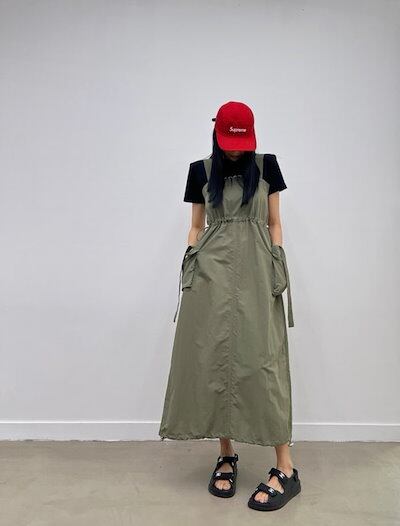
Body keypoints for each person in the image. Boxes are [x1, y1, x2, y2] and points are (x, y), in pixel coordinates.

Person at [159, 101, 301, 511]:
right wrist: (191, 267)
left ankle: (286, 467)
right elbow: (196, 226)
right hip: (210, 273)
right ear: (217, 133)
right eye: (228, 141)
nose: (235, 149)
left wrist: (275, 263)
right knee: (215, 358)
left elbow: (274, 223)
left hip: (258, 270)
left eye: (242, 141)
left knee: (264, 361)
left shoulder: (267, 166)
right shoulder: (200, 171)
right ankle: (226, 454)